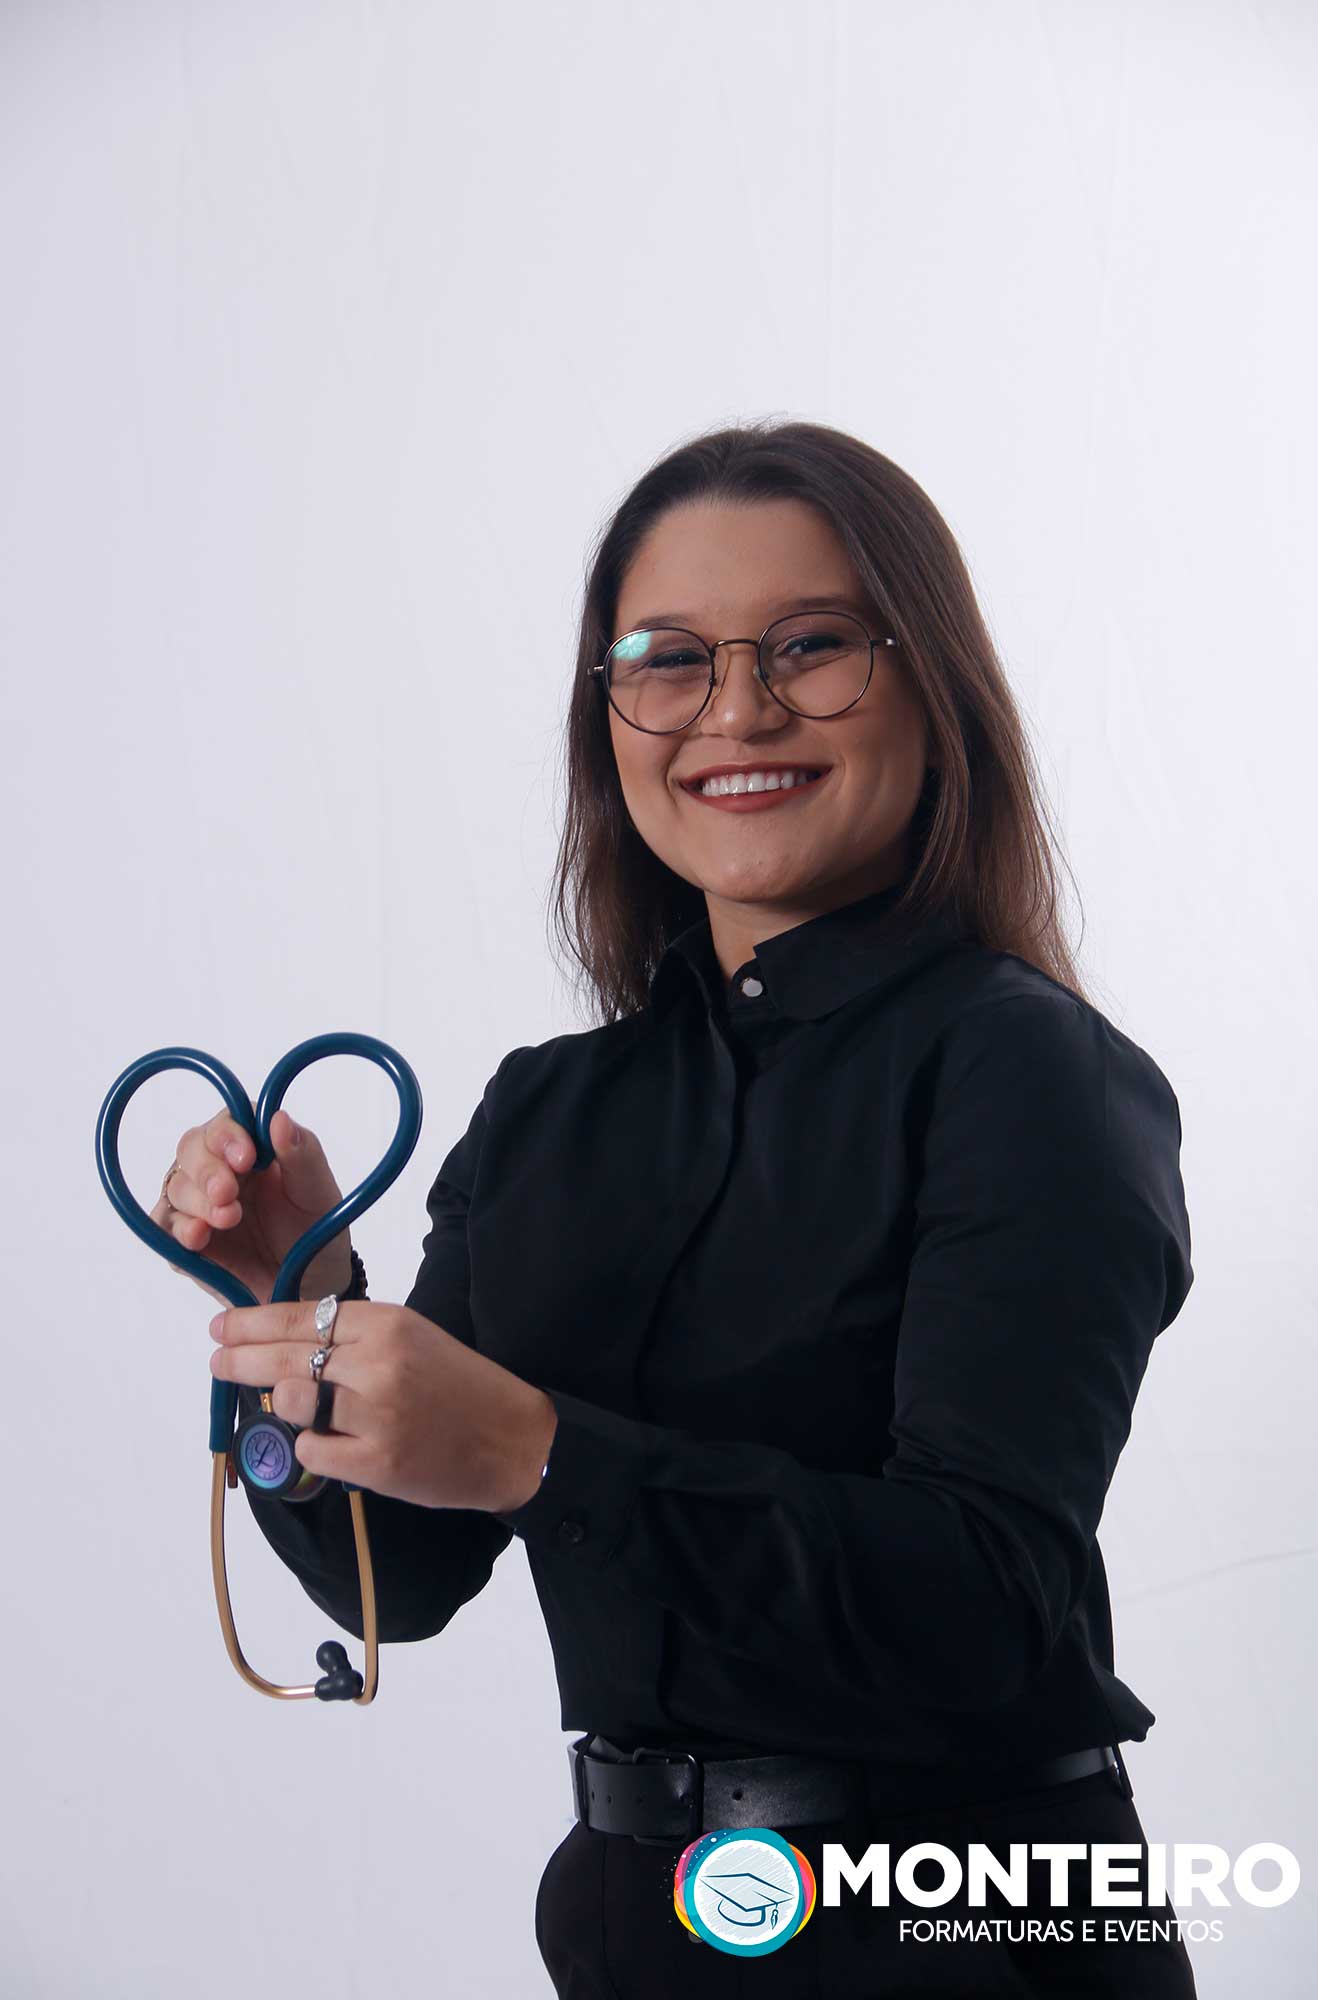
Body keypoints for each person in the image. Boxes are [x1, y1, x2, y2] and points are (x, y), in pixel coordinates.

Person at [155, 420, 1198, 1996]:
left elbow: (984, 1607)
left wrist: (537, 1450)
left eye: (811, 645)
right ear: (608, 715)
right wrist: (300, 1290)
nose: (736, 710)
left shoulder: (1022, 1072)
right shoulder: (553, 1110)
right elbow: (399, 1582)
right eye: (668, 659)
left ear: (930, 686)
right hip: (637, 1920)